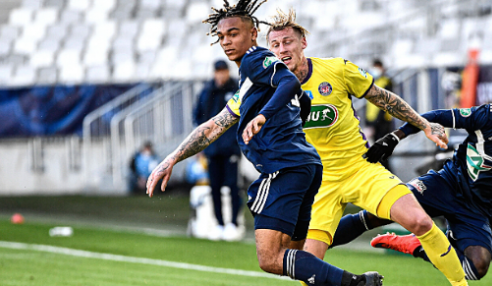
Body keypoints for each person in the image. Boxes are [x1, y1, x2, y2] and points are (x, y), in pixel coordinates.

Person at [146, 1, 383, 285]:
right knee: (294, 254)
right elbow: (213, 127)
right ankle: (363, 230)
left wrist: (262, 116)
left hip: (284, 168)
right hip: (305, 166)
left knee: (269, 258)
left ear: (253, 33)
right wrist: (172, 157)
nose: (226, 41)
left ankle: (357, 283)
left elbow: (290, 83)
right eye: (222, 36)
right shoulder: (253, 80)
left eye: (233, 33)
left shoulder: (254, 59)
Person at [265, 9, 468, 286]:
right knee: (307, 270)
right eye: (274, 45)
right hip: (316, 185)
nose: (281, 49)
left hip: (359, 169)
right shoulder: (266, 89)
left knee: (420, 222)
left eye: (287, 42)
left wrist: (424, 124)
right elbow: (231, 125)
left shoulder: (336, 69)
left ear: (303, 43)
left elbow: (382, 98)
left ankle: (460, 284)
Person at [331, 87, 492, 282]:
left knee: (477, 268)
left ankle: (416, 246)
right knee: (374, 217)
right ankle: (312, 243)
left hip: (475, 211)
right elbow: (437, 116)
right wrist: (395, 137)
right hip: (444, 184)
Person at [193, 59, 243, 241]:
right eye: (218, 72)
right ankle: (220, 224)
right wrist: (199, 144)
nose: (221, 75)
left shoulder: (237, 89)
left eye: (223, 71)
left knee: (232, 186)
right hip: (212, 149)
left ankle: (233, 224)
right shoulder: (206, 92)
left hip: (231, 147)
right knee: (214, 187)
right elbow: (198, 118)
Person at [364, 59, 395, 170]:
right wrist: (369, 123)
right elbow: (369, 105)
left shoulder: (387, 81)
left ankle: (389, 176)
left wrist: (375, 124)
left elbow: (385, 104)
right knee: (376, 151)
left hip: (383, 122)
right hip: (372, 121)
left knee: (383, 151)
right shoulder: (371, 82)